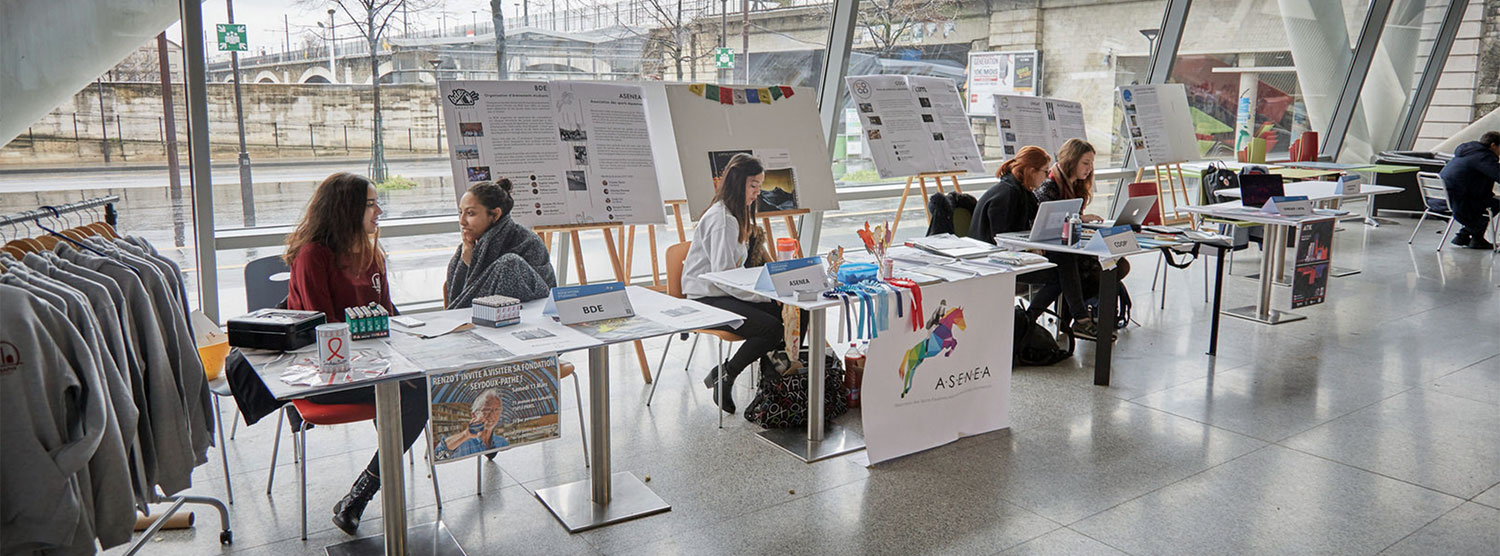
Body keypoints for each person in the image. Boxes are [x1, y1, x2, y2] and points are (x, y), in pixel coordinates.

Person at [282, 172, 429, 535]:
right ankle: (361, 496)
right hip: (325, 370)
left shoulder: (370, 252)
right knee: (413, 393)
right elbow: (325, 330)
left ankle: (360, 494)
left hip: (375, 364)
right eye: (370, 204)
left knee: (420, 388)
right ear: (347, 209)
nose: (379, 210)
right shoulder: (313, 256)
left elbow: (388, 314)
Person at [681, 154, 807, 414]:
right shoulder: (723, 220)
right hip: (706, 296)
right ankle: (727, 375)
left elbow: (735, 275)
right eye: (753, 185)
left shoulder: (736, 214)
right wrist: (764, 297)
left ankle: (775, 383)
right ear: (738, 183)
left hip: (724, 290)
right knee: (771, 327)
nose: (757, 192)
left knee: (797, 311)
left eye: (760, 186)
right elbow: (725, 277)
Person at [970, 146, 1098, 339]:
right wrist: (1031, 248)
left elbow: (1028, 228)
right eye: (1045, 172)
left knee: (1064, 264)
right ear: (1031, 171)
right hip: (995, 260)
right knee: (1062, 270)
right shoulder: (1008, 195)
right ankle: (1041, 319)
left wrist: (1034, 245)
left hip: (1011, 253)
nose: (1047, 177)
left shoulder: (1020, 191)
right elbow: (1002, 238)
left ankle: (1035, 319)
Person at [1035, 138, 1131, 295]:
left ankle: (1085, 307)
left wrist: (1081, 220)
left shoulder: (1075, 185)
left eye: (1091, 163)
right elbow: (1047, 221)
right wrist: (1078, 219)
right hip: (1057, 249)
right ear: (1072, 160)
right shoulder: (1049, 185)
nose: (1090, 168)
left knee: (1119, 265)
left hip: (1072, 244)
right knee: (1108, 268)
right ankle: (1083, 308)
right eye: (1085, 163)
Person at [445, 179, 557, 308]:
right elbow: (457, 298)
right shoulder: (467, 248)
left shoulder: (528, 243)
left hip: (529, 316)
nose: (462, 221)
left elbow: (542, 295)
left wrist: (473, 264)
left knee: (509, 263)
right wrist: (468, 262)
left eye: (470, 213)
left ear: (495, 214)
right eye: (460, 212)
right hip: (475, 320)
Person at [1438, 131, 1500, 250]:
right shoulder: (1483, 156)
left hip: (1441, 198)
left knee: (1488, 201)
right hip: (1459, 201)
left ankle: (1465, 236)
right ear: (1493, 145)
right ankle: (1472, 237)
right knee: (1495, 204)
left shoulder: (1468, 152)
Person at [436, 389, 510, 458]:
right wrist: (465, 435)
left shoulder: (501, 442)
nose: (492, 415)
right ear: (474, 415)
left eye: (496, 410)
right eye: (487, 410)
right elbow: (438, 455)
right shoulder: (462, 443)